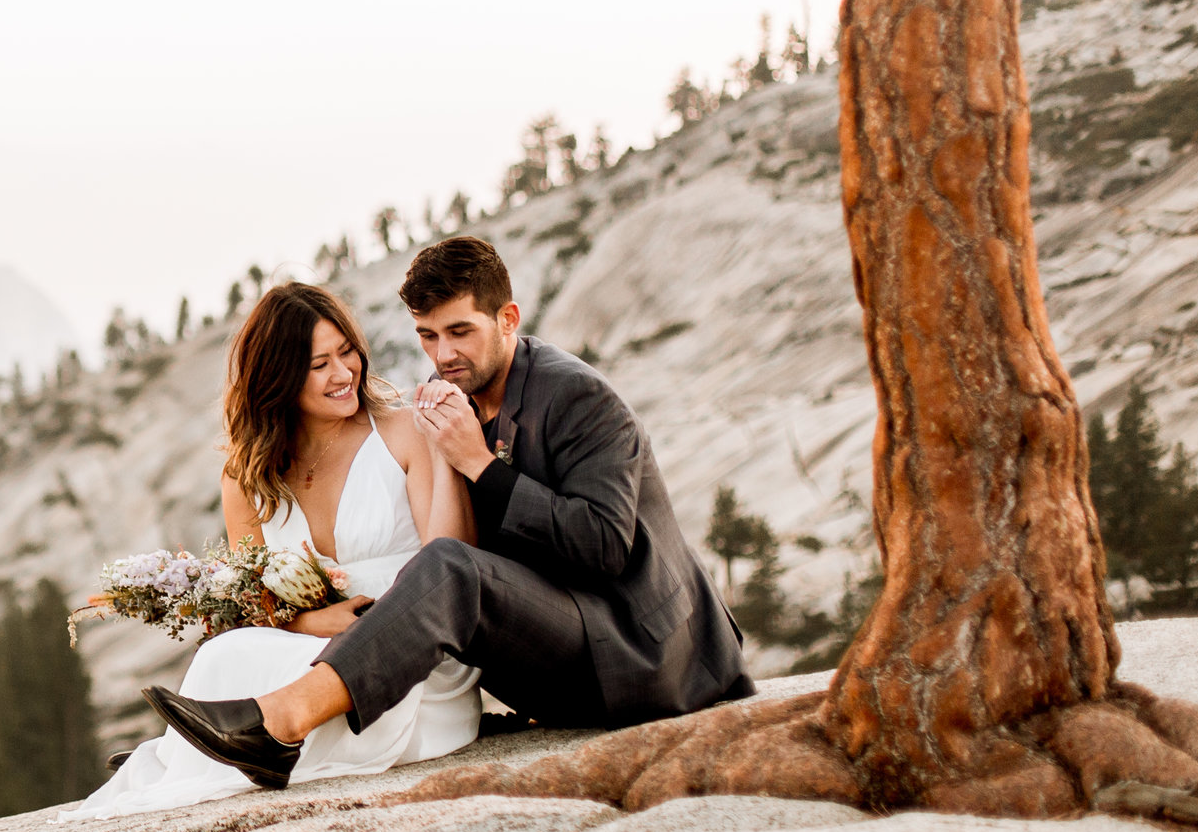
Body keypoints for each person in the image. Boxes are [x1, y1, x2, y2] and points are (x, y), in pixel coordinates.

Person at [147, 235, 754, 791]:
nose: (445, 354)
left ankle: (282, 722)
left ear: (507, 318)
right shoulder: (452, 405)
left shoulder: (576, 397)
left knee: (449, 567)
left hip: (638, 652)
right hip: (542, 660)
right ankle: (196, 750)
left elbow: (603, 548)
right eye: (428, 336)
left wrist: (481, 468)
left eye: (460, 332)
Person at [64, 281, 482, 819]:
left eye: (347, 352)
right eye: (319, 364)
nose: (343, 373)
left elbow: (453, 561)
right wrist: (312, 622)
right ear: (280, 377)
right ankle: (195, 756)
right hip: (313, 642)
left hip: (411, 658)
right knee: (224, 652)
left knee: (234, 661)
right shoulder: (248, 475)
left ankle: (188, 758)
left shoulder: (401, 431)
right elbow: (248, 606)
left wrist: (443, 449)